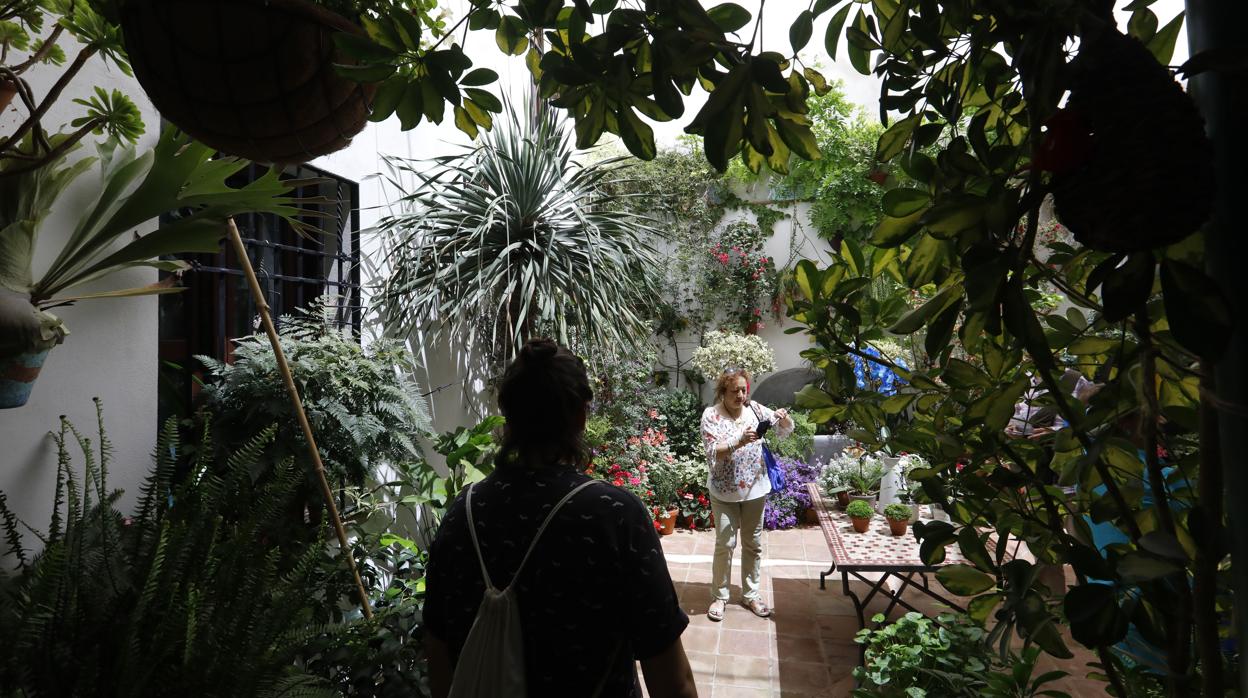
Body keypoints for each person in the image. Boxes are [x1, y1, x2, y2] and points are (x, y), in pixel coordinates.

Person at [423, 339, 697, 698]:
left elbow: (438, 651)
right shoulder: (614, 515)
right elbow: (671, 679)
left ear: (509, 417)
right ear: (582, 415)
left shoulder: (465, 512)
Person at [699, 367, 793, 622]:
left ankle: (750, 594)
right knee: (725, 543)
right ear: (722, 392)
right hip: (724, 490)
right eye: (734, 391)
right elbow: (711, 451)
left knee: (753, 544)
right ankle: (720, 596)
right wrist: (738, 441)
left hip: (755, 488)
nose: (740, 395)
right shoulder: (711, 416)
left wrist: (782, 418)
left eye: (743, 389)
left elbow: (784, 430)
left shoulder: (754, 408)